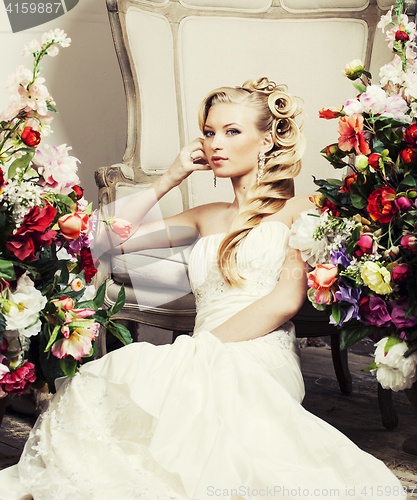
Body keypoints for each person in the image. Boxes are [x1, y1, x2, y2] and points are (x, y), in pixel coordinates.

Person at [0, 78, 405, 500]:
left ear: (267, 140)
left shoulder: (301, 209)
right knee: (116, 417)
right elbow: (102, 239)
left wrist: (202, 348)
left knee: (213, 423)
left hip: (257, 354)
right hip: (196, 352)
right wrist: (171, 177)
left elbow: (285, 300)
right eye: (210, 132)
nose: (216, 143)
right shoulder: (203, 217)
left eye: (232, 131)